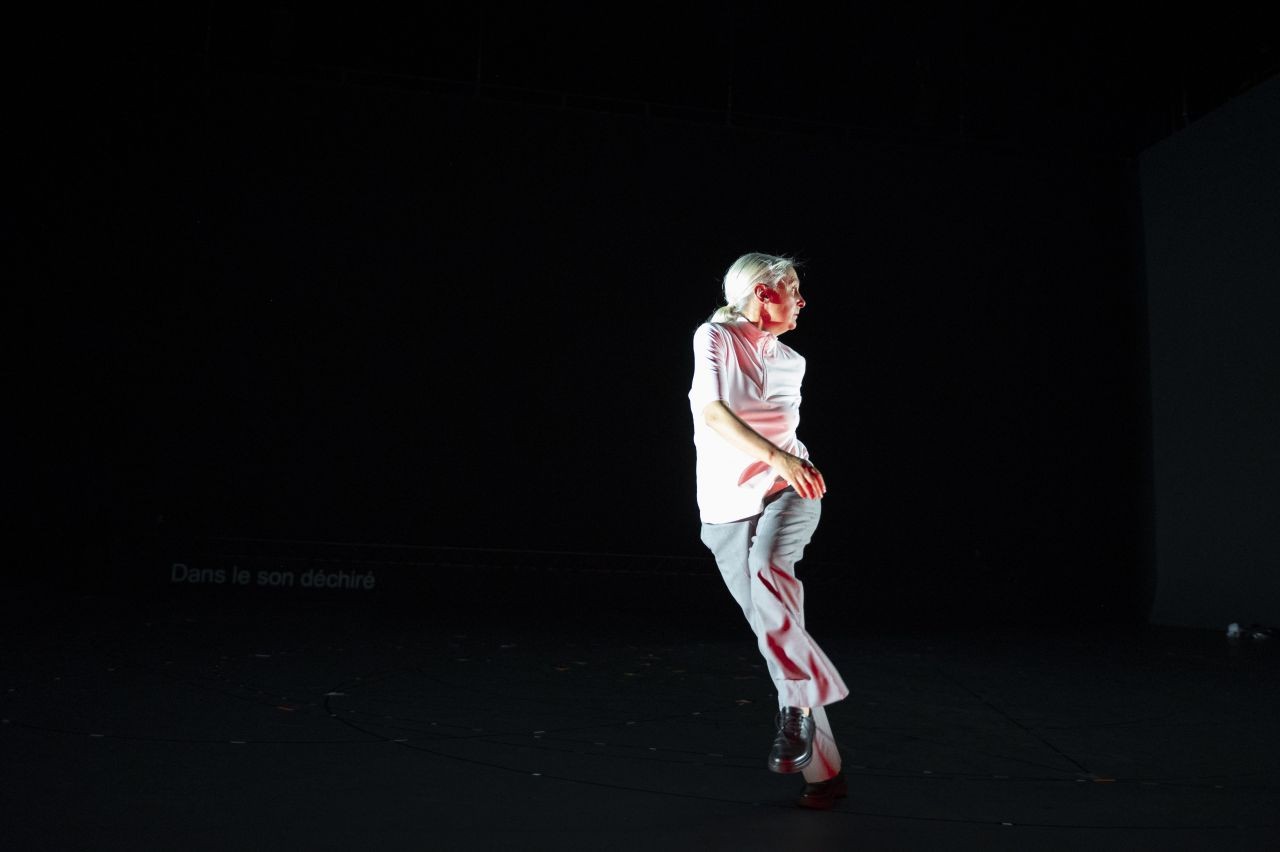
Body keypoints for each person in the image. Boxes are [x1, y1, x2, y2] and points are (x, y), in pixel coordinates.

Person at [688, 252, 849, 810]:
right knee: (776, 634)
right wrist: (774, 456)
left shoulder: (792, 361)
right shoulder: (714, 337)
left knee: (769, 571)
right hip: (726, 509)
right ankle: (825, 776)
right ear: (762, 293)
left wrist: (784, 463)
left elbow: (782, 431)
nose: (802, 301)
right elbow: (713, 413)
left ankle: (795, 708)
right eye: (792, 289)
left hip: (790, 488)